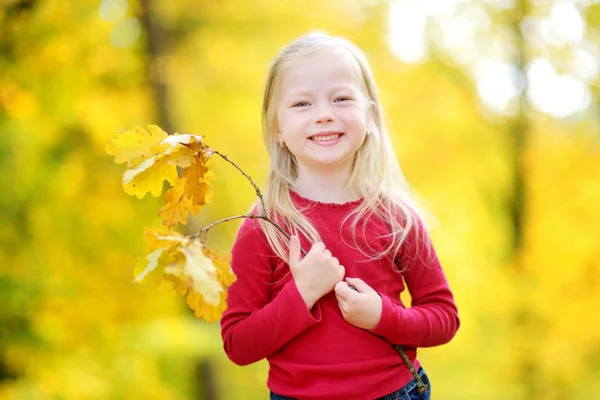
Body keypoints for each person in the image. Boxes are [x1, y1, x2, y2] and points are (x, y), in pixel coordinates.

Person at [220, 31, 460, 400]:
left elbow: (444, 317)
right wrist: (302, 293)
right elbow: (238, 344)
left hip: (396, 392)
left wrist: (384, 316)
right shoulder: (264, 227)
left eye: (342, 98)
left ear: (370, 115)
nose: (324, 115)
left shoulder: (397, 219)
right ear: (277, 128)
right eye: (302, 104)